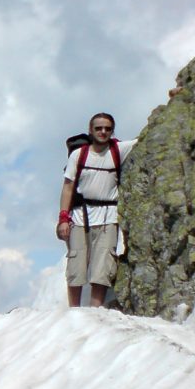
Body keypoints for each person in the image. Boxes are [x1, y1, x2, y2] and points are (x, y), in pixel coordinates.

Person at [55, 113, 137, 307]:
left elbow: (144, 137)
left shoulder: (119, 150)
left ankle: (96, 311)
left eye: (107, 129)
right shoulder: (79, 154)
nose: (103, 132)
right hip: (79, 217)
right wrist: (63, 218)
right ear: (91, 130)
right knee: (76, 265)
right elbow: (68, 187)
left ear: (112, 131)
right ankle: (74, 312)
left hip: (109, 217)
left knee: (104, 265)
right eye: (99, 128)